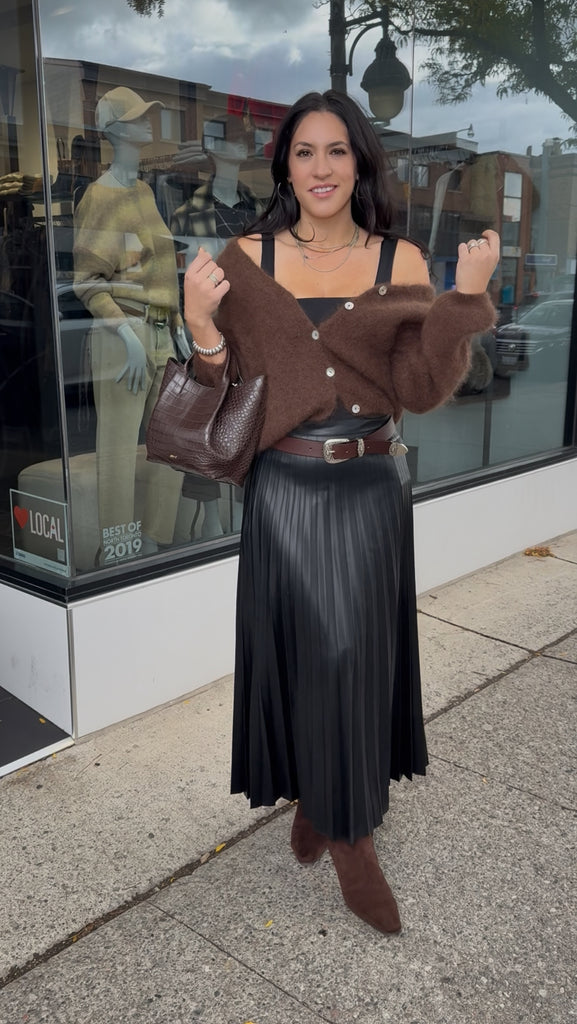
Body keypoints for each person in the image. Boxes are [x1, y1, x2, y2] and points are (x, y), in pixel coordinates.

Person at [183, 90, 499, 936]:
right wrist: (200, 325)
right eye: (303, 152)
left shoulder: (399, 258)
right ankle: (329, 811)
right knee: (307, 651)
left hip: (368, 488)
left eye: (335, 151)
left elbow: (420, 390)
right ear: (284, 167)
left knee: (354, 656)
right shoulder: (246, 258)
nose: (319, 168)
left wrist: (461, 302)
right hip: (284, 489)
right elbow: (221, 385)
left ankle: (342, 824)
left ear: (358, 162)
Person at [73, 87, 190, 563]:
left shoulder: (142, 190)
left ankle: (157, 537)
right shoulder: (98, 197)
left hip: (163, 331)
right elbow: (87, 282)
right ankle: (117, 545)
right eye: (139, 117)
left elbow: (160, 269)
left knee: (173, 442)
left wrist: (178, 326)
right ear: (115, 130)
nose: (148, 123)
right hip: (125, 334)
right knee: (119, 446)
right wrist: (127, 335)